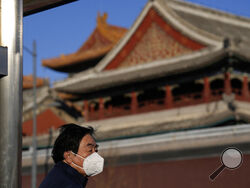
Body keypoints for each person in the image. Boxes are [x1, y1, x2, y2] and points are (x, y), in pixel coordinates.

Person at [39, 123, 104, 188]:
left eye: (96, 150)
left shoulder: (58, 177)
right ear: (69, 156)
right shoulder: (68, 184)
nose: (95, 155)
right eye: (90, 150)